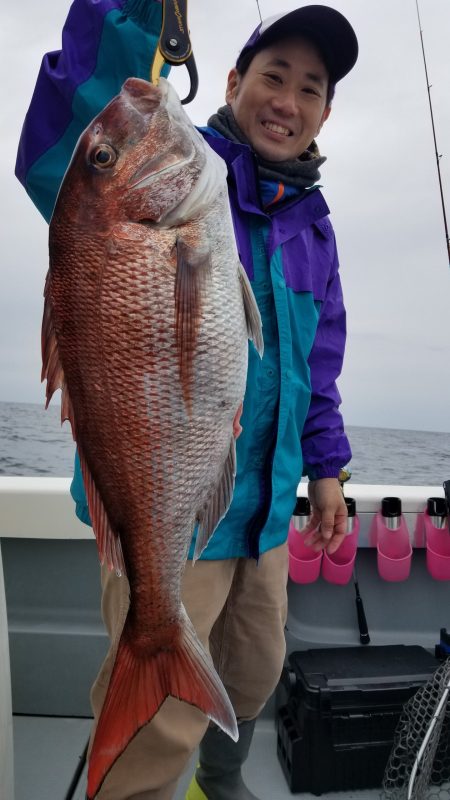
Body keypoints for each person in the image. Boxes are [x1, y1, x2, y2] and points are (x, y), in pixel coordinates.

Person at [16, 2, 357, 798]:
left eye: (310, 88)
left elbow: (318, 364)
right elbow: (73, 132)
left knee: (253, 672)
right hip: (166, 519)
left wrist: (327, 468)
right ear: (232, 82)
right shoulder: (184, 174)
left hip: (265, 516)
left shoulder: (314, 229)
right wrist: (142, 11)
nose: (288, 100)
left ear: (325, 114)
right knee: (158, 720)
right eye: (273, 76)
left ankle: (218, 779)